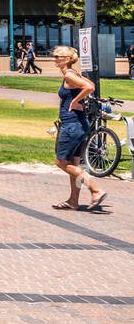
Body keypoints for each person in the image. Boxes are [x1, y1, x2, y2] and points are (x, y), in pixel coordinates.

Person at [51, 45, 106, 211]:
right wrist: (78, 100)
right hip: (79, 124)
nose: (54, 58)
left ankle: (96, 190)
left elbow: (90, 87)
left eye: (57, 56)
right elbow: (89, 83)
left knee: (61, 163)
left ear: (67, 60)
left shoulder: (69, 75)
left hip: (72, 125)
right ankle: (73, 200)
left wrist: (75, 102)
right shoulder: (73, 74)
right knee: (74, 163)